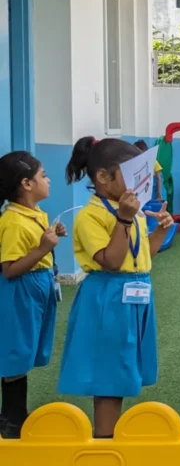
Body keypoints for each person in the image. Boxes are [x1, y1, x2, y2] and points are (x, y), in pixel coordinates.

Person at [60, 137, 175, 438]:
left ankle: (109, 436)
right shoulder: (91, 216)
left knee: (123, 368)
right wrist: (123, 220)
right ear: (102, 177)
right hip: (107, 297)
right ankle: (104, 441)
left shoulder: (130, 212)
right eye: (133, 174)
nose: (140, 182)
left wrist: (161, 229)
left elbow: (142, 254)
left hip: (134, 294)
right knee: (109, 374)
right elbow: (112, 260)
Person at [0, 152, 65, 439]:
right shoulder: (12, 220)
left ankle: (13, 416)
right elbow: (10, 269)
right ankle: (13, 420)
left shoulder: (35, 213)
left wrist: (50, 238)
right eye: (43, 175)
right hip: (20, 291)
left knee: (24, 350)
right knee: (15, 352)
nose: (48, 180)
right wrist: (41, 249)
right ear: (27, 184)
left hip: (37, 287)